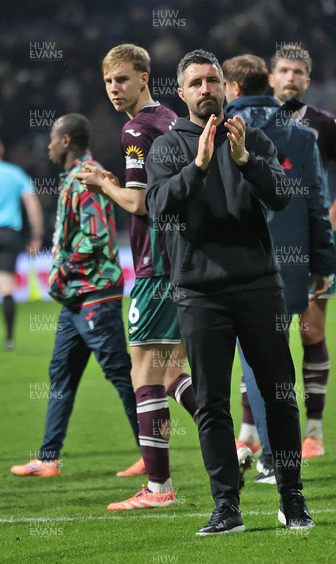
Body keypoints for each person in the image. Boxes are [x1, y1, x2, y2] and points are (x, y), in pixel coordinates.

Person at [146, 49, 314, 535]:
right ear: (181, 93)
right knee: (213, 403)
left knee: (280, 395)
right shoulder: (167, 148)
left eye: (212, 81)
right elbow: (158, 209)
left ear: (225, 87)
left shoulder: (252, 137)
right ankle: (227, 507)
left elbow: (282, 195)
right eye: (195, 82)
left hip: (259, 285)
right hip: (200, 292)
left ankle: (291, 496)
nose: (205, 89)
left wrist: (243, 160)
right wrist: (197, 166)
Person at [76, 44, 198, 510]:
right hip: (183, 258)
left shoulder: (134, 128)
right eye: (108, 82)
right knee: (171, 372)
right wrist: (117, 181)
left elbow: (141, 202)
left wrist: (102, 185)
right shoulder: (169, 118)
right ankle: (233, 443)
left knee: (144, 373)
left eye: (123, 80)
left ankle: (158, 489)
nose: (114, 89)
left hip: (156, 263)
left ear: (144, 77)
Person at [223, 54, 336, 483]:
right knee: (275, 356)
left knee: (253, 363)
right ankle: (274, 448)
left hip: (235, 262)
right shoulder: (302, 134)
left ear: (232, 88)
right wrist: (322, 263)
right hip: (290, 262)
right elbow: (317, 205)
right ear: (266, 84)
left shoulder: (218, 130)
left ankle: (270, 455)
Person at [11, 114, 139, 477]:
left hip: (95, 292)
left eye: (52, 138)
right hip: (76, 298)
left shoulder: (87, 177)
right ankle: (49, 459)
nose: (48, 145)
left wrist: (63, 266)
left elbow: (96, 235)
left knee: (119, 374)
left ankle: (152, 453)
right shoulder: (74, 176)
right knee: (62, 373)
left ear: (66, 141)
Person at [268, 44, 336, 458]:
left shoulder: (323, 124)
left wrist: (333, 212)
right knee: (263, 335)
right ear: (271, 76)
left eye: (298, 72)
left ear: (307, 81)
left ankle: (313, 432)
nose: (290, 77)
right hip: (269, 243)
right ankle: (251, 432)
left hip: (311, 242)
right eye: (283, 70)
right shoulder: (253, 120)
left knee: (310, 331)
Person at [0, 140, 43, 350]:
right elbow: (33, 205)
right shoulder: (15, 173)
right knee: (6, 287)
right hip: (9, 234)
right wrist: (36, 236)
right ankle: (9, 338)